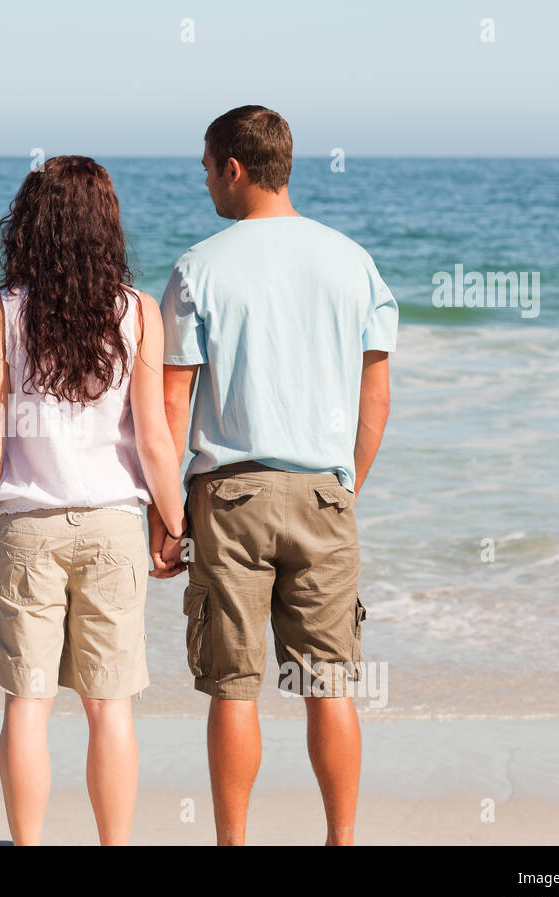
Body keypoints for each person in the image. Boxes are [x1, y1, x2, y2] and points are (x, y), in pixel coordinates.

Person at [150, 106, 397, 846]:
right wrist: (346, 484)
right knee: (327, 685)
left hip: (230, 496)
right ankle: (341, 840)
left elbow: (170, 401)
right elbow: (376, 391)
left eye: (205, 167)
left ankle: (233, 844)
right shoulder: (352, 261)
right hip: (324, 491)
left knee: (234, 686)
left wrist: (165, 516)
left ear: (233, 168)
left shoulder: (200, 265)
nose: (202, 181)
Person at [0, 155, 186, 846]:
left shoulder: (4, 310)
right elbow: (153, 441)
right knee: (108, 707)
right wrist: (173, 524)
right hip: (115, 527)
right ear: (105, 226)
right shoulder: (138, 311)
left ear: (31, 223)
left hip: (27, 522)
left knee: (25, 705)